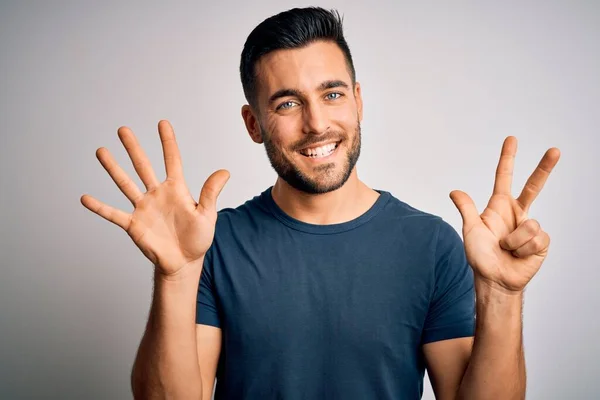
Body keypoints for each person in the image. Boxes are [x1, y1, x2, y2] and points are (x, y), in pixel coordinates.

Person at [80, 7, 561, 400]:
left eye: (331, 94)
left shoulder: (431, 244)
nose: (316, 124)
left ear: (357, 101)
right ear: (253, 124)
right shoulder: (211, 244)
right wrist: (176, 276)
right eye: (287, 103)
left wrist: (503, 295)